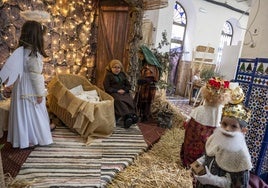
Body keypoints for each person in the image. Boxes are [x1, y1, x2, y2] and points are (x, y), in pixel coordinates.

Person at [0, 20, 53, 149]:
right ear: (37, 37)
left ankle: (24, 137)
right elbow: (36, 76)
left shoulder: (21, 52)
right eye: (43, 35)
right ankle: (33, 137)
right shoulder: (33, 55)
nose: (45, 38)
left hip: (21, 87)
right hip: (30, 89)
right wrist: (40, 93)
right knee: (33, 111)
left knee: (23, 113)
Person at [193, 85, 252, 188]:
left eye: (234, 126)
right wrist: (200, 161)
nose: (227, 129)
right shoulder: (215, 138)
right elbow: (211, 153)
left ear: (243, 131)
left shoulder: (242, 156)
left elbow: (240, 185)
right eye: (224, 124)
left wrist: (214, 181)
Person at [180, 77, 230, 167]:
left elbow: (188, 128)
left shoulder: (199, 110)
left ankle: (189, 164)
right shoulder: (223, 112)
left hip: (193, 152)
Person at [103, 59, 138, 128]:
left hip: (123, 92)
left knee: (129, 99)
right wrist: (116, 91)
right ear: (111, 68)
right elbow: (107, 87)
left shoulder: (122, 74)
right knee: (118, 100)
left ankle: (132, 115)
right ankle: (127, 116)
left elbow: (128, 85)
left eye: (118, 68)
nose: (117, 69)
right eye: (114, 67)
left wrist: (124, 90)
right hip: (113, 92)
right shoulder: (108, 76)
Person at [135, 45, 162, 122]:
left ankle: (145, 117)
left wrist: (144, 80)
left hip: (148, 87)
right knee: (141, 101)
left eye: (140, 55)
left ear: (145, 55)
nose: (139, 57)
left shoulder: (151, 66)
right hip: (144, 87)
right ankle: (141, 115)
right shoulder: (145, 64)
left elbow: (152, 77)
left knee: (146, 102)